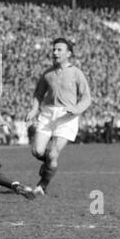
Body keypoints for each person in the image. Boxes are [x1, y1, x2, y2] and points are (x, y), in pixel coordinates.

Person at [26, 37, 93, 196]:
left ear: (68, 53)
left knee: (53, 153)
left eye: (59, 50)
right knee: (37, 151)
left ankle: (42, 186)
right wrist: (35, 108)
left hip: (66, 116)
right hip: (48, 113)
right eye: (54, 49)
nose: (55, 52)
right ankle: (49, 164)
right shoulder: (47, 73)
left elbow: (87, 98)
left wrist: (76, 109)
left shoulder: (76, 73)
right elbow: (39, 93)